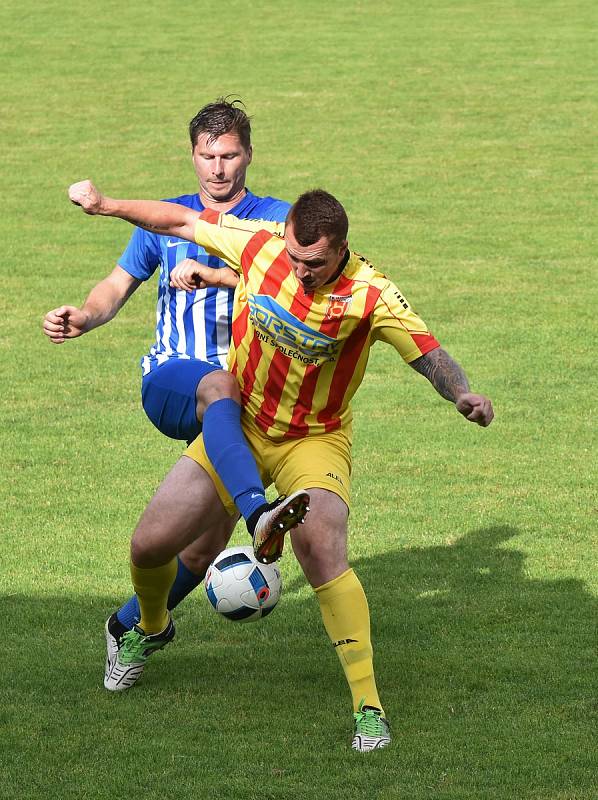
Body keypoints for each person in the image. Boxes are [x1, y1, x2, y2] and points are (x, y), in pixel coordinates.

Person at [68, 179, 494, 752]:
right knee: (148, 546)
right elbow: (175, 221)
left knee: (320, 547)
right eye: (294, 255)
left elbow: (429, 353)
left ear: (340, 249)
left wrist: (461, 394)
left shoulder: (371, 294)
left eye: (314, 262)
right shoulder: (261, 244)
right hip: (239, 427)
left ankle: (368, 707)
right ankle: (148, 627)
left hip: (313, 440)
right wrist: (107, 206)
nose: (300, 269)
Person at [42, 99, 308, 687]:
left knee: (191, 549)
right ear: (192, 156)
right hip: (174, 381)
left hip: (247, 403)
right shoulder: (166, 220)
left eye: (230, 155)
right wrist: (84, 316)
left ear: (249, 154)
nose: (218, 168)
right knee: (217, 384)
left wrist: (219, 275)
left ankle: (134, 627)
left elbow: (299, 284)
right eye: (207, 156)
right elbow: (115, 285)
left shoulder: (276, 220)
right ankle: (260, 514)